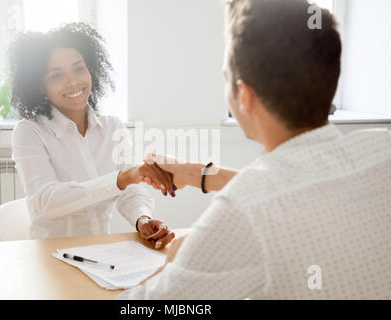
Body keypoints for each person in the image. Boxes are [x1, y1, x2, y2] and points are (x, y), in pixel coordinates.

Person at [118, 0, 391, 299]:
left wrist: (174, 266)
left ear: (244, 96)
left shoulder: (242, 212)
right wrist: (197, 174)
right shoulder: (381, 148)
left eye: (226, 79)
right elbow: (299, 187)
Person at [9, 23, 175, 248]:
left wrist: (142, 219)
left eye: (79, 68)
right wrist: (121, 178)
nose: (73, 82)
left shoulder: (113, 128)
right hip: (51, 256)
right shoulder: (29, 132)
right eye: (57, 75)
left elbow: (131, 191)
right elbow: (47, 202)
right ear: (40, 86)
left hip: (101, 252)